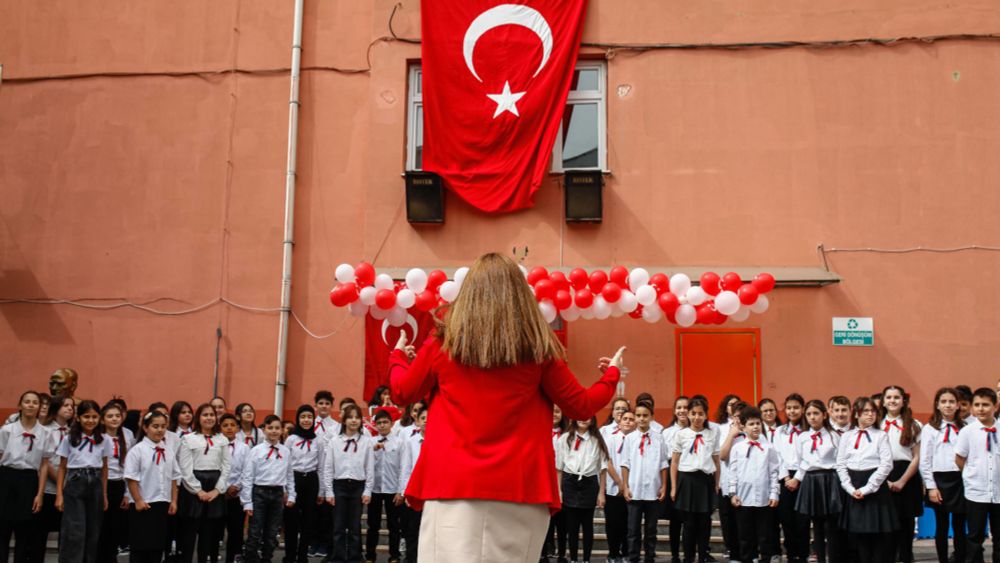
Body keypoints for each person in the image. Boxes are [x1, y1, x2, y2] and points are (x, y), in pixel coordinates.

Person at [387, 253, 625, 563]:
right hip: (520, 487)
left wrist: (396, 357)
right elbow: (581, 405)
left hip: (453, 484)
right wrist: (612, 375)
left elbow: (402, 391)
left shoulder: (443, 343)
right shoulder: (538, 347)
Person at [835, 396, 896, 563]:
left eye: (873, 411)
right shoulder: (847, 436)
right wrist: (849, 487)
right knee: (859, 536)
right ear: (857, 414)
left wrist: (868, 488)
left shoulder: (880, 435)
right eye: (866, 411)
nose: (870, 414)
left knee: (878, 536)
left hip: (875, 488)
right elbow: (840, 464)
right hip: (853, 485)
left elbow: (886, 464)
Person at [0, 390, 54, 563]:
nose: (31, 405)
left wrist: (39, 494)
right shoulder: (7, 430)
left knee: (25, 531)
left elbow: (45, 464)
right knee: (3, 529)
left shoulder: (45, 433)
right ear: (20, 405)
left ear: (39, 408)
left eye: (35, 402)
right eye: (27, 401)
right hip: (6, 478)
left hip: (30, 480)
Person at [56, 399, 111, 563]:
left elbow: (105, 467)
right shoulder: (69, 439)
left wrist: (105, 494)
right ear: (78, 418)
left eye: (94, 417)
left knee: (93, 530)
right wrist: (59, 494)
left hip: (95, 484)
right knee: (75, 530)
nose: (91, 420)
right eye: (86, 416)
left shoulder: (104, 440)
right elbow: (62, 467)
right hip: (75, 482)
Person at [790, 400, 842, 563]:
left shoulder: (834, 435)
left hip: (830, 479)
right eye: (809, 414)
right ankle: (820, 559)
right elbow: (802, 461)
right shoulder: (803, 437)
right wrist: (796, 479)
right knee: (817, 526)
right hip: (811, 481)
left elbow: (839, 460)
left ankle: (834, 558)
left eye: (816, 413)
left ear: (824, 415)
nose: (812, 417)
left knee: (832, 526)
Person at [125, 411, 180, 563]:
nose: (159, 430)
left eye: (163, 426)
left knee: (157, 547)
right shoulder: (138, 450)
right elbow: (131, 478)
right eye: (155, 426)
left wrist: (174, 501)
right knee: (140, 547)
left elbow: (174, 477)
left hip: (162, 503)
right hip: (144, 504)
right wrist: (138, 500)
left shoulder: (168, 450)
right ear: (145, 427)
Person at [321, 403, 374, 563]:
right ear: (344, 420)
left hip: (357, 486)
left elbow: (369, 468)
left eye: (357, 417)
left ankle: (354, 558)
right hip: (340, 486)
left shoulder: (366, 442)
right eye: (350, 417)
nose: (353, 421)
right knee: (338, 527)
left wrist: (367, 490)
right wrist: (329, 491)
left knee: (354, 527)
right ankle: (338, 558)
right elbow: (328, 468)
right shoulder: (335, 441)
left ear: (361, 421)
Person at [177, 404, 230, 563]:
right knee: (189, 533)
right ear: (198, 418)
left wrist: (217, 490)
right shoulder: (188, 438)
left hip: (214, 486)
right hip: (193, 487)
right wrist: (198, 490)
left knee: (209, 533)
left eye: (212, 415)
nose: (209, 418)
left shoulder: (222, 439)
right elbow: (185, 468)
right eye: (205, 415)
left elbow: (226, 466)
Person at [727, 406, 780, 563]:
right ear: (743, 427)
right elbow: (733, 473)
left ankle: (765, 559)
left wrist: (774, 493)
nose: (756, 426)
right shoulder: (737, 448)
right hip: (743, 499)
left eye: (758, 423)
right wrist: (732, 493)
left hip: (764, 500)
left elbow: (774, 473)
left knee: (765, 536)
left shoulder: (769, 448)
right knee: (745, 536)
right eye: (751, 424)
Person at [558, 415, 615, 563]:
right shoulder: (564, 438)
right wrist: (559, 490)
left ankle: (586, 559)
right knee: (572, 526)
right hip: (570, 482)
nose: (584, 419)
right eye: (580, 415)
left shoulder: (597, 440)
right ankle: (574, 559)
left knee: (587, 525)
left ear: (593, 419)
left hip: (589, 483)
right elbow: (559, 467)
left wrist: (601, 493)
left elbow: (602, 469)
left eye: (587, 416)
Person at [920, 387, 966, 563]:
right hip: (939, 480)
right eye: (944, 402)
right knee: (942, 524)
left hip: (960, 480)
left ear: (957, 406)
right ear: (937, 405)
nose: (948, 405)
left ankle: (960, 558)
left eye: (952, 402)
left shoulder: (965, 428)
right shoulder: (929, 429)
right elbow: (925, 460)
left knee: (960, 525)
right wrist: (931, 487)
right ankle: (943, 560)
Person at [669, 397, 718, 563]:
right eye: (694, 413)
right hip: (687, 480)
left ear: (706, 415)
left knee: (705, 522)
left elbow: (716, 460)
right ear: (688, 414)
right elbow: (674, 462)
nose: (697, 417)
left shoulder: (711, 434)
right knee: (688, 523)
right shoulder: (681, 434)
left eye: (701, 414)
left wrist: (717, 483)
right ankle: (688, 557)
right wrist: (674, 487)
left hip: (705, 481)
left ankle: (703, 556)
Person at [241, 415, 295, 563]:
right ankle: (251, 559)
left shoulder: (285, 451)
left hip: (277, 494)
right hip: (259, 493)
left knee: (272, 533)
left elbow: (289, 475)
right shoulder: (256, 451)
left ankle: (267, 558)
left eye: (277, 428)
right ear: (264, 429)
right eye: (270, 428)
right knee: (255, 531)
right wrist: (247, 502)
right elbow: (248, 477)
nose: (273, 431)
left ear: (282, 430)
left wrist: (291, 495)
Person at [955, 387, 1000, 563]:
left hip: (998, 492)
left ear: (995, 406)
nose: (981, 409)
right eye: (977, 405)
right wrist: (970, 475)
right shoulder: (968, 431)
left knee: (999, 537)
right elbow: (960, 458)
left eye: (986, 405)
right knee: (974, 537)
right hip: (976, 492)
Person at [880, 385, 922, 563]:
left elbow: (917, 456)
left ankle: (906, 557)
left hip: (907, 476)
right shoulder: (876, 424)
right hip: (882, 476)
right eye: (889, 397)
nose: (892, 401)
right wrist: (885, 480)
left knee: (906, 525)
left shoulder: (914, 424)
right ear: (883, 401)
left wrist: (902, 481)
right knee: (887, 528)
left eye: (896, 397)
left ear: (903, 401)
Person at [622, 402, 667, 563]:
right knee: (633, 530)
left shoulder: (659, 438)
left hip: (653, 491)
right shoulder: (629, 438)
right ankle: (633, 558)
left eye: (645, 415)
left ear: (651, 417)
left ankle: (649, 558)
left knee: (651, 530)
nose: (642, 419)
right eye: (639, 415)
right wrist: (625, 486)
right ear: (635, 417)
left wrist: (664, 485)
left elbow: (663, 463)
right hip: (634, 490)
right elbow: (625, 463)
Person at [283, 405, 321, 563]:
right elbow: (284, 464)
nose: (306, 420)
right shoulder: (291, 439)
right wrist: (285, 488)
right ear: (298, 419)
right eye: (303, 417)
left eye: (309, 417)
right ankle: (290, 555)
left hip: (311, 481)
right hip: (294, 479)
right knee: (291, 520)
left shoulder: (318, 440)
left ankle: (302, 555)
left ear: (313, 419)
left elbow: (322, 466)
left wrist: (322, 491)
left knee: (308, 521)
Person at [774, 393, 809, 563]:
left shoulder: (809, 430)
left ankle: (803, 555)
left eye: (796, 407)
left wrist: (798, 478)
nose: (792, 411)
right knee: (786, 519)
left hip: (803, 477)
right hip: (785, 477)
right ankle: (791, 555)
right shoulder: (779, 431)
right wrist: (786, 477)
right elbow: (777, 456)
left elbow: (810, 456)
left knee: (802, 520)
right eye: (789, 408)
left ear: (802, 409)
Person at [39, 394, 75, 558]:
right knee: (40, 534)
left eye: (72, 406)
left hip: (69, 490)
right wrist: (61, 482)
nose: (70, 408)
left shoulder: (73, 432)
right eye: (66, 405)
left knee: (66, 535)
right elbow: (45, 461)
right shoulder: (45, 431)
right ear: (56, 408)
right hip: (48, 488)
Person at [98, 401, 134, 563]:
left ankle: (111, 558)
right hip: (101, 485)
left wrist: (127, 493)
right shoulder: (98, 436)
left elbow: (129, 465)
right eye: (110, 416)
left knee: (116, 527)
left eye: (117, 416)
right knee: (101, 528)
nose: (114, 419)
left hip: (119, 484)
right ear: (102, 419)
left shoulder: (127, 434)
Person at [366, 408, 403, 563]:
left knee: (393, 525)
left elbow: (403, 467)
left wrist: (400, 491)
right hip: (374, 488)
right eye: (379, 423)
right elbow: (365, 465)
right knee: (372, 525)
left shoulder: (399, 443)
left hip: (392, 489)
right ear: (375, 425)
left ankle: (394, 556)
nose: (382, 425)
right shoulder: (370, 442)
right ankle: (370, 556)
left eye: (385, 422)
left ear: (391, 423)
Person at [713, 395, 742, 562]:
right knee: (727, 519)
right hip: (725, 478)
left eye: (737, 405)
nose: (733, 407)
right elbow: (721, 456)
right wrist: (732, 434)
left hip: (745, 481)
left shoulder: (749, 426)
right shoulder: (720, 429)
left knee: (744, 519)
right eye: (730, 404)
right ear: (726, 408)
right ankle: (732, 551)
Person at [661, 396, 689, 563]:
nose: (682, 410)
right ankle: (674, 555)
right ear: (674, 410)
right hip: (673, 475)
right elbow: (664, 459)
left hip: (689, 474)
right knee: (675, 519)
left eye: (686, 407)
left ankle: (688, 554)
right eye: (679, 407)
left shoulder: (696, 431)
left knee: (689, 518)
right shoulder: (667, 432)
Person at [219, 414, 250, 563]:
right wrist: (223, 488)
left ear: (238, 428)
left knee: (236, 530)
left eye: (233, 425)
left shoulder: (244, 448)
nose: (229, 427)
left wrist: (236, 486)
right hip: (218, 494)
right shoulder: (215, 446)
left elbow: (247, 470)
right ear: (220, 428)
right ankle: (212, 555)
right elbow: (214, 469)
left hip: (237, 494)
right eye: (225, 425)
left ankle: (234, 557)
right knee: (216, 528)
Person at [606, 410, 636, 563]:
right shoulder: (611, 439)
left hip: (631, 489)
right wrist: (619, 482)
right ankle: (612, 553)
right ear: (619, 422)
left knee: (627, 524)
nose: (628, 421)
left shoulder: (637, 440)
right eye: (625, 419)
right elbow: (607, 461)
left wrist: (627, 485)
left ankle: (625, 553)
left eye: (631, 419)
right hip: (613, 487)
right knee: (613, 523)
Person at [312, 390, 337, 558]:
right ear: (316, 405)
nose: (324, 406)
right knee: (311, 512)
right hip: (311, 472)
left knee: (327, 513)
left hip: (328, 472)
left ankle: (324, 544)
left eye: (327, 403)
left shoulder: (335, 426)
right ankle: (312, 543)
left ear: (331, 406)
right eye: (321, 403)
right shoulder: (308, 422)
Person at [398, 407, 426, 563]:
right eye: (423, 418)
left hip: (432, 491)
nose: (426, 421)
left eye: (430, 418)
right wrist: (405, 492)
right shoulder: (411, 442)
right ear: (417, 421)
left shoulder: (440, 440)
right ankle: (411, 559)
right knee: (412, 529)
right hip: (415, 490)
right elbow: (406, 468)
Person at [544, 404, 570, 563]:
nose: (554, 414)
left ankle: (562, 552)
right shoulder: (540, 431)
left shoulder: (567, 435)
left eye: (558, 411)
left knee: (562, 519)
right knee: (547, 519)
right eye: (552, 411)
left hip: (563, 481)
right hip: (545, 479)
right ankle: (545, 551)